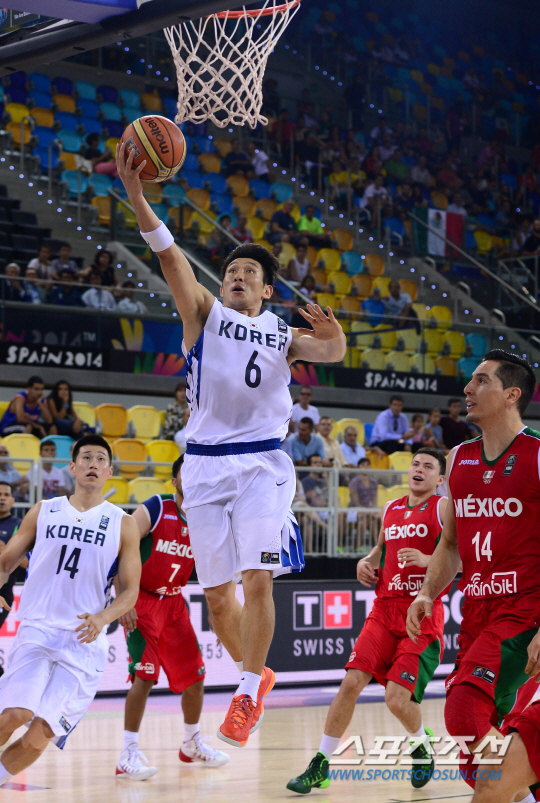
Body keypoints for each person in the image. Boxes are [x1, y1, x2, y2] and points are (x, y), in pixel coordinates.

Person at [117, 140, 345, 748]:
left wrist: (336, 335)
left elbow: (331, 351)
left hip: (263, 465)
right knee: (218, 598)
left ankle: (245, 695)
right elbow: (170, 258)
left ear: (267, 291)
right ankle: (258, 674)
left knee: (256, 580)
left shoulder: (283, 334)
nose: (238, 277)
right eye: (232, 272)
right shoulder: (204, 315)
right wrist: (136, 195)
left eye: (250, 274)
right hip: (203, 468)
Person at [406, 351, 540, 800]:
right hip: (477, 610)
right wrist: (427, 593)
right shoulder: (459, 458)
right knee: (477, 757)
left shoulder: (537, 455)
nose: (468, 388)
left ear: (511, 395)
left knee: (463, 708)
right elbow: (449, 544)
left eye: (482, 381)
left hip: (524, 611)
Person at [288, 449, 448, 793]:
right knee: (351, 683)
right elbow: (380, 549)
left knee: (396, 699)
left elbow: (464, 558)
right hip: (384, 608)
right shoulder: (390, 508)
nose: (419, 470)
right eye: (415, 464)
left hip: (420, 612)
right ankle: (320, 764)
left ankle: (421, 743)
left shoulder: (443, 508)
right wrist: (367, 560)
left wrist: (428, 559)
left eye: (428, 466)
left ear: (440, 479)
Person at [0, 435, 140, 786]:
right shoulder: (44, 510)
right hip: (38, 627)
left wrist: (103, 618)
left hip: (84, 641)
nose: (93, 463)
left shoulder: (122, 523)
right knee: (15, 712)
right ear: (73, 467)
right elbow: (5, 563)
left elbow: (130, 591)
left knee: (41, 732)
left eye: (101, 459)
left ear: (110, 471)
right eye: (86, 457)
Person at [117, 456, 229, 779]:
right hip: (142, 599)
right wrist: (123, 598)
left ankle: (191, 743)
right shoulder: (156, 507)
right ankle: (127, 753)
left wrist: (216, 611)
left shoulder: (206, 520)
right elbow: (121, 546)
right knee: (144, 677)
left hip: (174, 603)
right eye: (186, 474)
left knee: (195, 678)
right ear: (175, 481)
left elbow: (211, 570)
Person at [0, 482, 25, 636]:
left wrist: (8, 553)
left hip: (4, 590)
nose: (2, 498)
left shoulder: (22, 526)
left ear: (13, 500)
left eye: (6, 495)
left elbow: (30, 563)